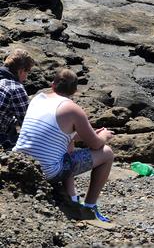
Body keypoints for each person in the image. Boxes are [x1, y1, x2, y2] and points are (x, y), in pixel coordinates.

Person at [14, 68, 115, 222]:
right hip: (48, 171)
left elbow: (59, 132)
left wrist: (92, 134)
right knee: (107, 153)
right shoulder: (73, 109)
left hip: (19, 162)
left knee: (68, 141)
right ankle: (89, 206)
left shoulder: (37, 98)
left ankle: (72, 196)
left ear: (52, 84)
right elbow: (95, 145)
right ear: (75, 90)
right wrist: (103, 136)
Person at [0, 49, 35, 150]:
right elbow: (26, 123)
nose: (26, 77)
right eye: (27, 72)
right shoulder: (16, 88)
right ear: (21, 71)